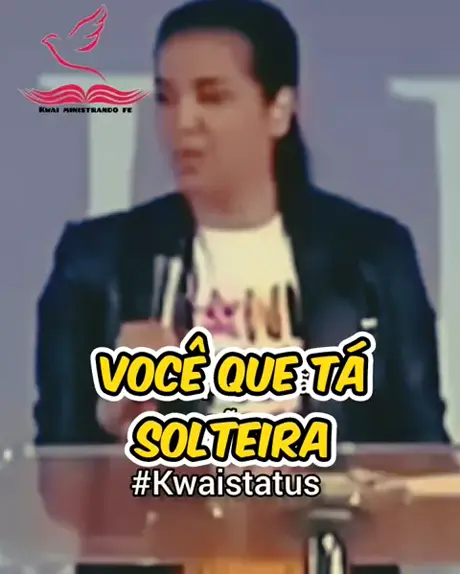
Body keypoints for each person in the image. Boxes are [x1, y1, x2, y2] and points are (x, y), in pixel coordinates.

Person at [35, 0, 450, 573]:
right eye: (167, 97)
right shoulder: (100, 262)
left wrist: (343, 489)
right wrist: (116, 424)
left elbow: (426, 466)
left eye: (212, 96)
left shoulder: (369, 256)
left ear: (279, 110)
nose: (183, 122)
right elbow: (59, 496)